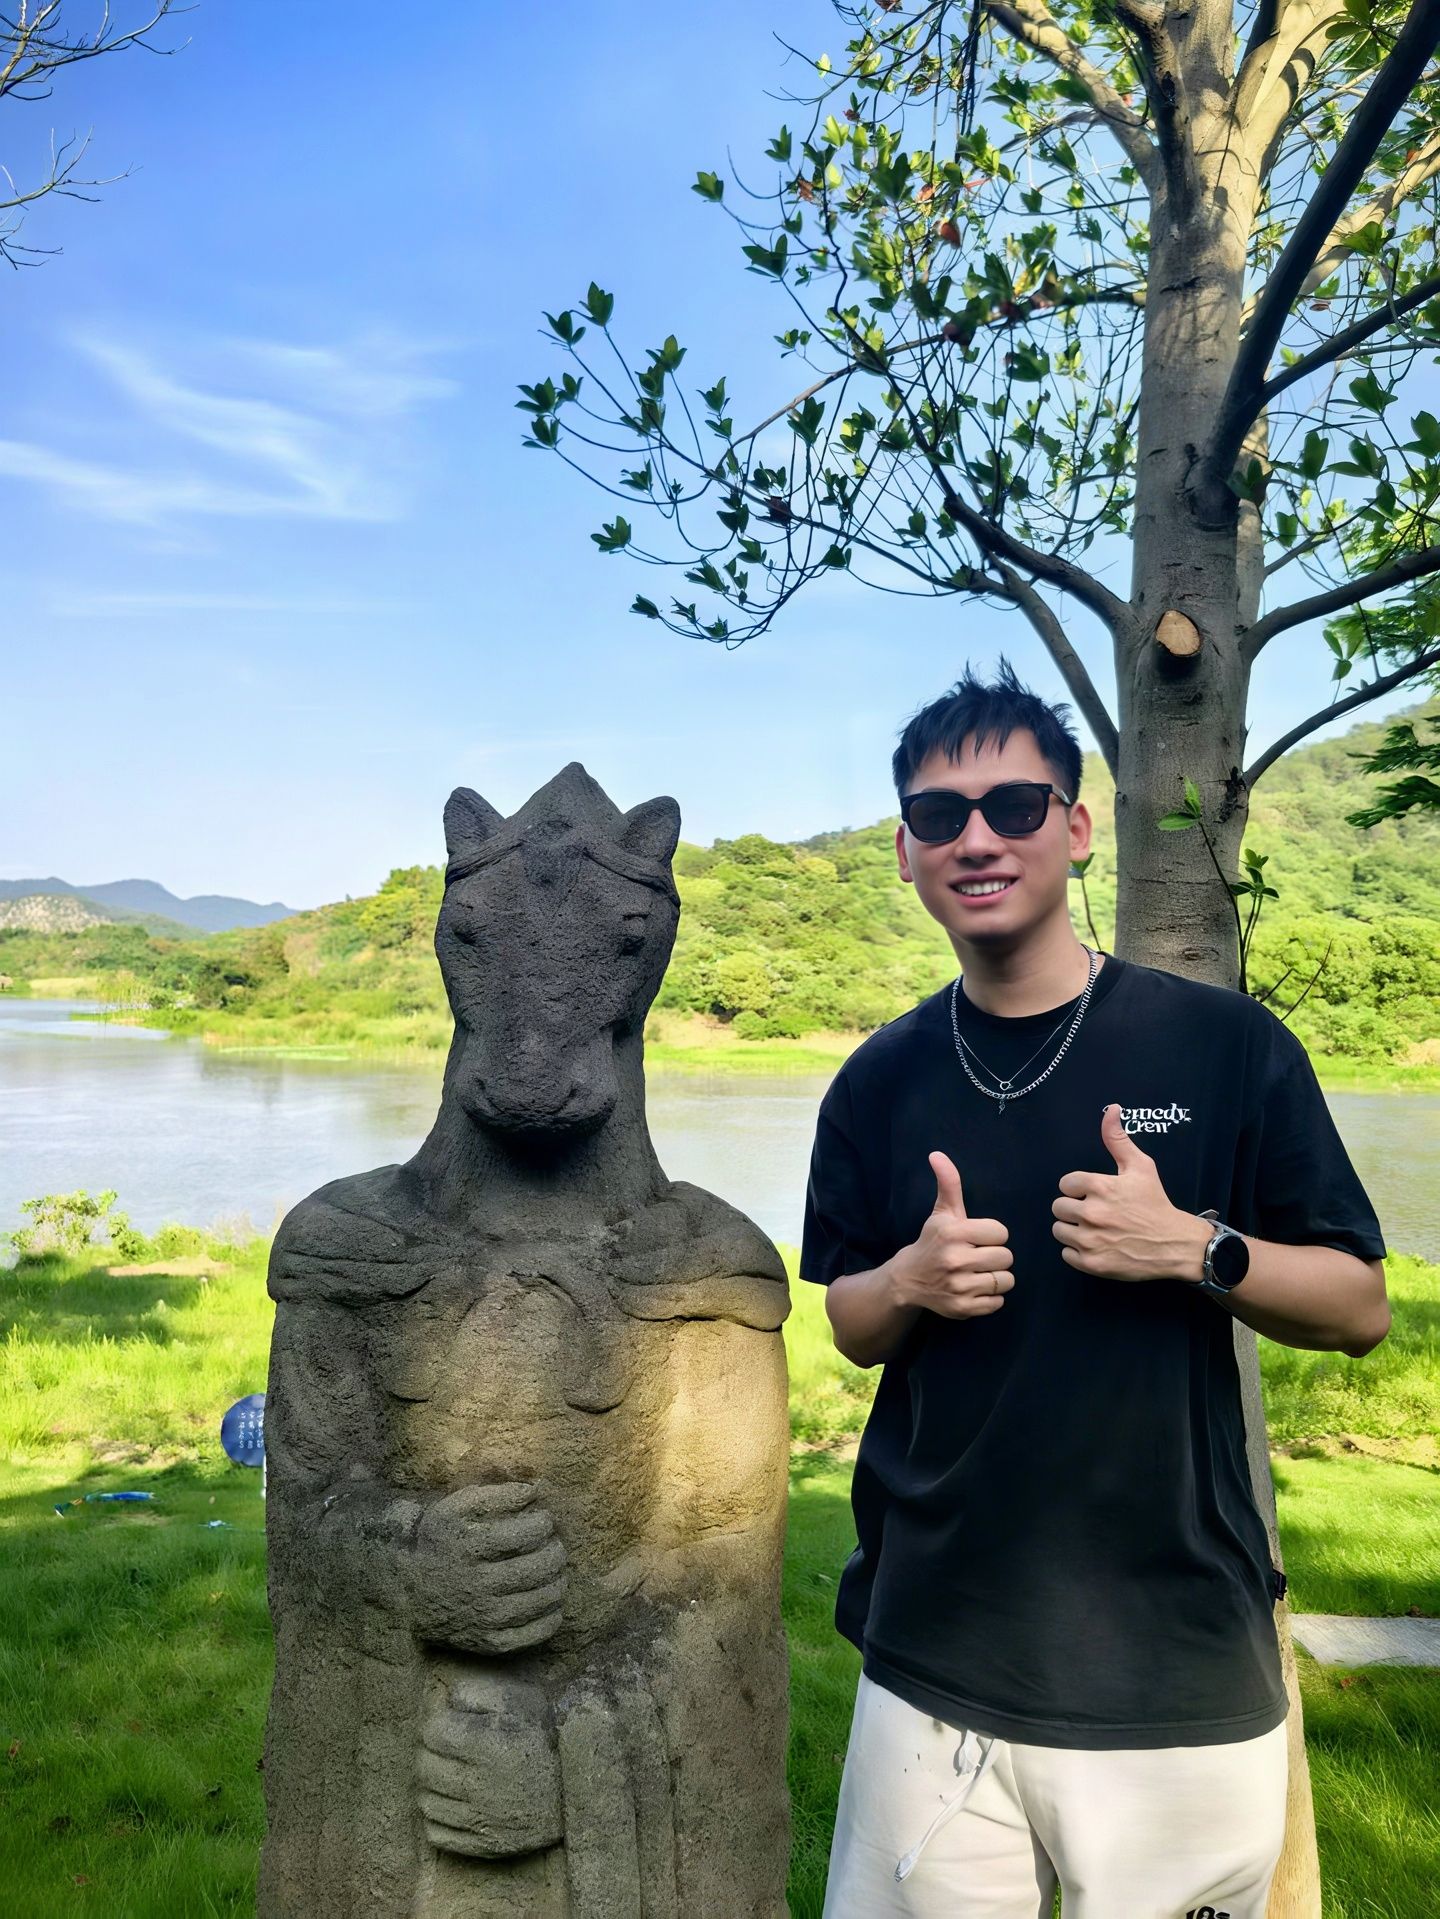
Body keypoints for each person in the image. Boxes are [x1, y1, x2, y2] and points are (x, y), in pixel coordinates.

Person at [801, 663, 1390, 1919]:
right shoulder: (876, 1080)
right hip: (931, 1656)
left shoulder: (1223, 1045)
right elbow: (849, 1322)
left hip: (1175, 1663)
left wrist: (1197, 1247)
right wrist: (908, 1277)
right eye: (939, 814)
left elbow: (1358, 1305)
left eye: (1015, 805)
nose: (977, 838)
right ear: (905, 851)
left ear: (1074, 827)